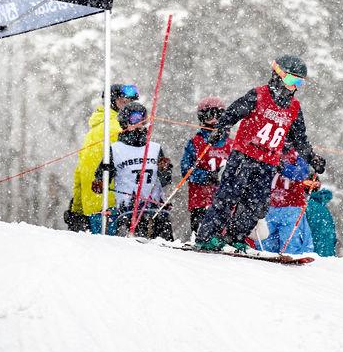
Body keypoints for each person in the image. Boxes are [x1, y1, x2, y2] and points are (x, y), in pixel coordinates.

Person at [194, 56, 326, 251]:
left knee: (257, 204)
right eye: (291, 80)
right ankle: (207, 236)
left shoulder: (294, 108)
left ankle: (235, 237)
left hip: (268, 162)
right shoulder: (259, 95)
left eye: (299, 82)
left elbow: (300, 140)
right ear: (278, 75)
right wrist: (221, 128)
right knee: (228, 196)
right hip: (244, 156)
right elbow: (232, 113)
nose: (294, 86)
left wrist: (312, 158)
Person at [71, 82, 139, 234]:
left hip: (93, 207)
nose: (129, 107)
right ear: (112, 102)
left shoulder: (92, 132)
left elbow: (80, 172)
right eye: (124, 102)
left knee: (102, 248)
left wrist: (76, 208)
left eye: (131, 103)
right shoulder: (121, 129)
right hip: (118, 206)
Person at [105, 101, 174, 239]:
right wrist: (99, 180)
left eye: (143, 118)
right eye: (135, 118)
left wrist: (164, 170)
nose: (140, 123)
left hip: (155, 210)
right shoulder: (115, 149)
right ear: (125, 122)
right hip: (128, 211)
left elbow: (165, 181)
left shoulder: (155, 148)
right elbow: (103, 178)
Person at [181, 96, 232, 238]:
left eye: (219, 115)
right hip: (201, 201)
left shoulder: (231, 144)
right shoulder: (195, 143)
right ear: (202, 117)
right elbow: (186, 170)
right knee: (203, 234)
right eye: (210, 115)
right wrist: (207, 176)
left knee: (224, 235)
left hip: (225, 202)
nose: (215, 120)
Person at [259, 147, 315, 255]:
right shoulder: (271, 148)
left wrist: (283, 168)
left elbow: (302, 173)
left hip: (291, 206)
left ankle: (291, 256)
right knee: (265, 238)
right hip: (270, 206)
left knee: (291, 239)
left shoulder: (298, 151)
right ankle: (265, 256)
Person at [306, 187, 337, 257]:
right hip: (328, 253)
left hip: (312, 254)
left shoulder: (306, 207)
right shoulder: (324, 209)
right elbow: (332, 234)